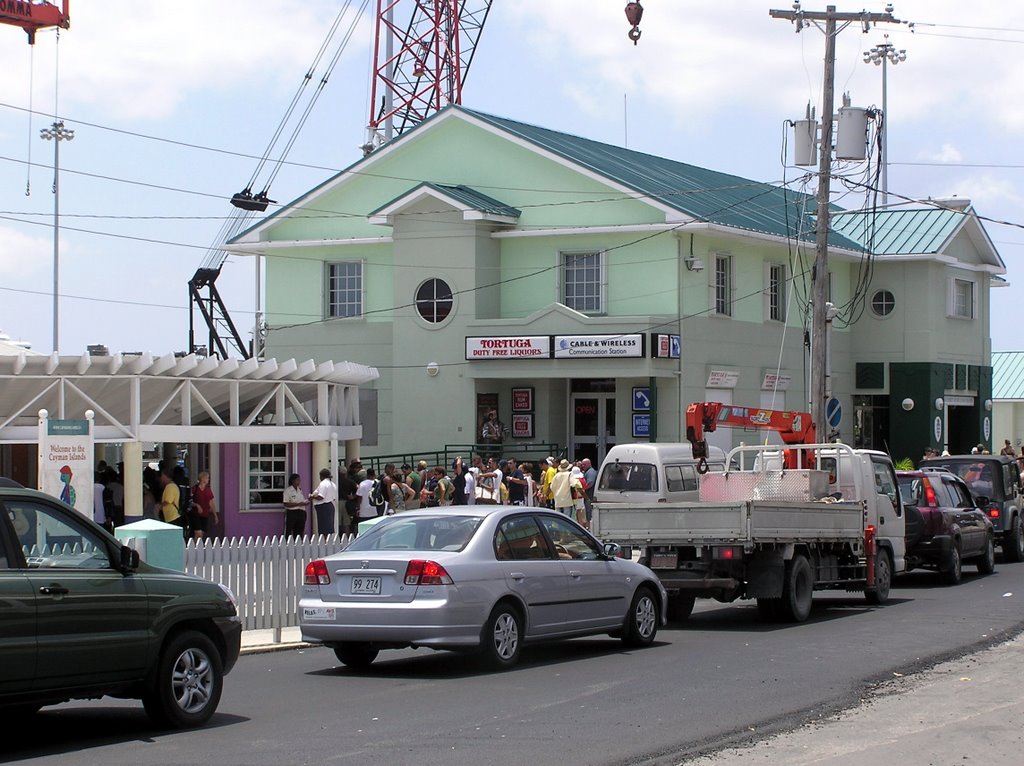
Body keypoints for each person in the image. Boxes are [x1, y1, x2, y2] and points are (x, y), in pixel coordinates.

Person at [190, 470, 219, 541]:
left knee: (201, 534)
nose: (208, 479)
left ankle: (197, 548)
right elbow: (189, 501)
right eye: (207, 478)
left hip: (205, 514)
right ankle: (193, 549)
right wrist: (197, 505)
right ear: (202, 478)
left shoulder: (208, 490)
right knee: (198, 533)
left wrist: (215, 515)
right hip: (195, 514)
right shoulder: (194, 489)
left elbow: (211, 503)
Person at [159, 468, 187, 539]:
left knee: (172, 537)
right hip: (170, 516)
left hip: (172, 516)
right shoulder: (172, 485)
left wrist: (159, 506)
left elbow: (168, 500)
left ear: (165, 476)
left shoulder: (170, 486)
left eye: (162, 475)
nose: (161, 478)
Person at [309, 468, 338, 536]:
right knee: (329, 527)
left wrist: (312, 497)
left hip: (323, 507)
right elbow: (333, 498)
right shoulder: (333, 484)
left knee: (323, 528)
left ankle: (324, 543)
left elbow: (321, 497)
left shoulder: (323, 484)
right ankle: (328, 542)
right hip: (330, 505)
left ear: (321, 476)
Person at [282, 473, 308, 537]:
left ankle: (298, 544)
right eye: (297, 480)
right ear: (293, 481)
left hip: (301, 512)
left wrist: (305, 502)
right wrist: (299, 504)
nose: (299, 482)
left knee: (299, 531)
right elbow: (286, 503)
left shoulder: (299, 490)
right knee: (289, 530)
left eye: (299, 480)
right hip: (292, 512)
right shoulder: (288, 491)